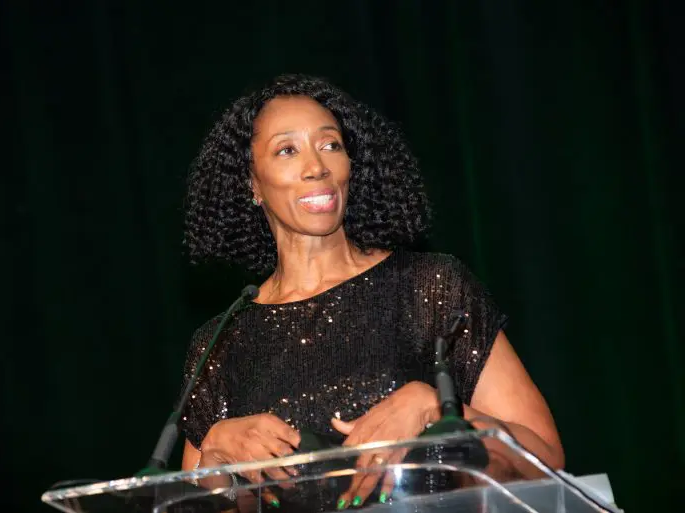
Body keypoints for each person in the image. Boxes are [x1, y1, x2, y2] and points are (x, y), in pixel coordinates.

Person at [178, 74, 564, 509]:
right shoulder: (221, 341)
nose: (317, 166)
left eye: (331, 145)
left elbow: (546, 459)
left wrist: (435, 408)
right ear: (251, 182)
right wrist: (214, 457)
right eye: (287, 150)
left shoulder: (427, 286)